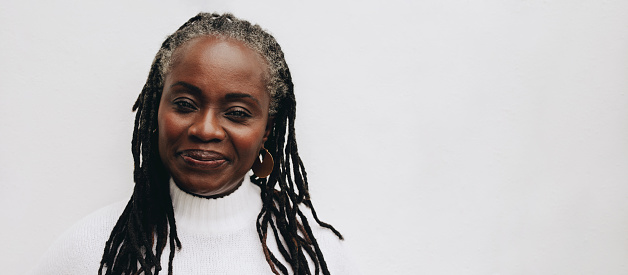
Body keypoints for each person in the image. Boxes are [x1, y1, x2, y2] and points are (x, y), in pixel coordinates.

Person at [31, 12, 356, 275]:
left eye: (238, 113)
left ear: (267, 130)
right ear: (155, 111)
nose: (205, 129)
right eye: (185, 104)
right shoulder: (90, 249)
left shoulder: (314, 255)